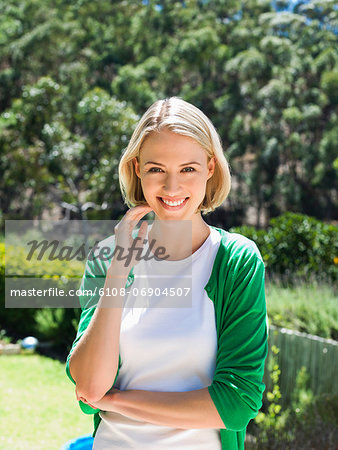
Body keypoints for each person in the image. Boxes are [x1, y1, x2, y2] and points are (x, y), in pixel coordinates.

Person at [65, 97, 269, 450]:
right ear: (137, 169)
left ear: (210, 167)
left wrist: (115, 402)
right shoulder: (107, 257)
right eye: (157, 169)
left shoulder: (236, 261)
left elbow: (236, 405)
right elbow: (89, 386)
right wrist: (118, 272)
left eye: (188, 169)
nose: (172, 188)